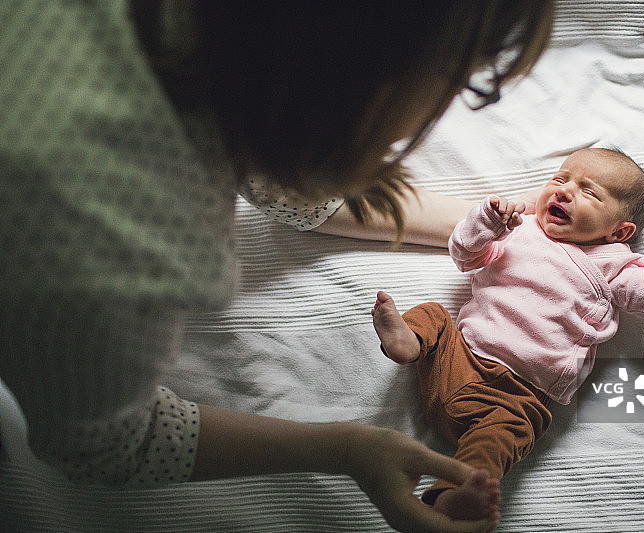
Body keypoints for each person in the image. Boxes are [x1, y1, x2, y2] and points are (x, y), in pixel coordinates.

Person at [0, 2, 555, 533]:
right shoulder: (112, 236)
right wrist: (348, 450)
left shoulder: (221, 47)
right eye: (460, 84)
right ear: (368, 72)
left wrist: (514, 229)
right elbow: (106, 445)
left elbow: (292, 189)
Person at [371, 147, 644, 522]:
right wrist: (484, 222)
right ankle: (409, 342)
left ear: (619, 232)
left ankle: (453, 494)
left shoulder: (614, 265)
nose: (564, 191)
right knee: (433, 314)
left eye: (589, 191)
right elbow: (464, 255)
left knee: (499, 441)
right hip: (459, 356)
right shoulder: (521, 229)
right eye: (561, 179)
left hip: (517, 396)